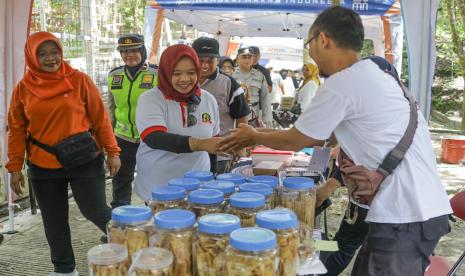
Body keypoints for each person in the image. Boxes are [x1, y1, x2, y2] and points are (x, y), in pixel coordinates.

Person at [220, 6, 451, 275]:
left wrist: (253, 135)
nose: (312, 54)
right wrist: (257, 134)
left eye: (310, 44)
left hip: (405, 213)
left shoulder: (343, 82)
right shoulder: (376, 76)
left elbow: (297, 139)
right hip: (416, 210)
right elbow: (312, 136)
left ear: (323, 40)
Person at [7, 32, 121, 276]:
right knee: (54, 221)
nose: (51, 58)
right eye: (43, 53)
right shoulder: (23, 89)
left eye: (54, 51)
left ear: (61, 51)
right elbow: (16, 130)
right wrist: (14, 167)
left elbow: (100, 119)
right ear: (32, 57)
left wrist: (113, 151)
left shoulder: (79, 80)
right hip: (42, 164)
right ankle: (64, 269)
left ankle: (133, 243)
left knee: (95, 210)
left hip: (83, 160)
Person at [134, 44, 222, 200]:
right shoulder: (151, 99)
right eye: (176, 73)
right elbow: (154, 137)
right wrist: (199, 144)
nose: (184, 79)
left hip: (198, 186)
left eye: (191, 72)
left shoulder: (208, 99)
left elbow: (213, 143)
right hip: (159, 188)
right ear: (166, 73)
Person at [107, 34, 158, 209]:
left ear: (142, 51)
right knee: (120, 181)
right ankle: (121, 226)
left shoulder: (156, 74)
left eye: (134, 50)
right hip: (122, 138)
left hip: (150, 138)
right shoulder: (114, 75)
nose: (130, 55)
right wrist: (109, 141)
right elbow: (111, 109)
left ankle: (155, 220)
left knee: (152, 181)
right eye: (125, 51)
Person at [192, 37, 250, 173]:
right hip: (191, 153)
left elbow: (242, 119)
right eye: (201, 60)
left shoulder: (229, 84)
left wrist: (240, 149)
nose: (205, 65)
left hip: (221, 155)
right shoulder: (184, 81)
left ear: (217, 60)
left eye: (210, 60)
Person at [233, 47, 272, 128]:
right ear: (237, 59)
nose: (247, 60)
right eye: (244, 57)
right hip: (235, 115)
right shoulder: (231, 74)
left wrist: (267, 120)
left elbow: (265, 98)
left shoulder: (260, 75)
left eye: (249, 57)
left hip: (253, 114)